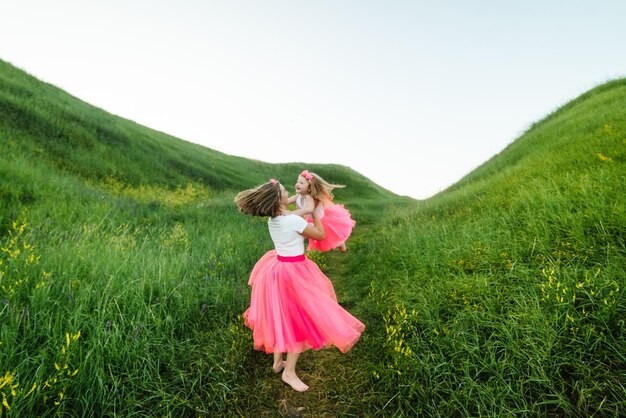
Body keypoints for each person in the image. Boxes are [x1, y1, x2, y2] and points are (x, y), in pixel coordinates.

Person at [235, 179, 365, 392]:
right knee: (298, 320)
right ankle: (289, 373)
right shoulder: (291, 221)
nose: (289, 192)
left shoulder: (275, 219)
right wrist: (314, 212)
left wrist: (304, 207)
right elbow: (321, 235)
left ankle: (278, 363)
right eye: (285, 191)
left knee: (281, 317)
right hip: (294, 272)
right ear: (279, 200)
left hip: (276, 270)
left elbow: (291, 214)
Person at [287, 170, 356, 252]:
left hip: (322, 222)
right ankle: (338, 244)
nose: (297, 184)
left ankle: (340, 243)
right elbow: (286, 201)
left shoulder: (310, 198)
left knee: (326, 241)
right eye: (298, 182)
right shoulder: (298, 196)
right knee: (319, 242)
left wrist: (290, 213)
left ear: (309, 188)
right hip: (312, 221)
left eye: (301, 183)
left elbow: (307, 209)